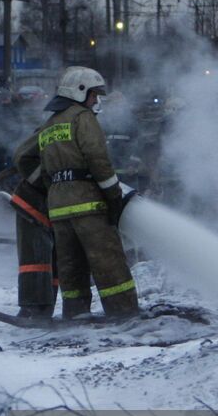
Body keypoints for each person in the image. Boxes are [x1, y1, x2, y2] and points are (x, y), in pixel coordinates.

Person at [36, 66, 139, 319]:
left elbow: (46, 170)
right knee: (109, 263)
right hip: (87, 206)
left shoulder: (49, 125)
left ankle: (75, 315)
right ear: (79, 92)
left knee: (71, 268)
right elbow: (97, 159)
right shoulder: (82, 118)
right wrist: (113, 195)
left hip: (59, 209)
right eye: (93, 95)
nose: (96, 101)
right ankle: (124, 315)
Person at [10, 129, 58, 319]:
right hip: (32, 204)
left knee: (53, 259)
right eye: (94, 96)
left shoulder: (82, 127)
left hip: (54, 204)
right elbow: (22, 157)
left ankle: (45, 308)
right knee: (35, 259)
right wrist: (46, 181)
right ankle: (31, 309)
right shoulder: (53, 127)